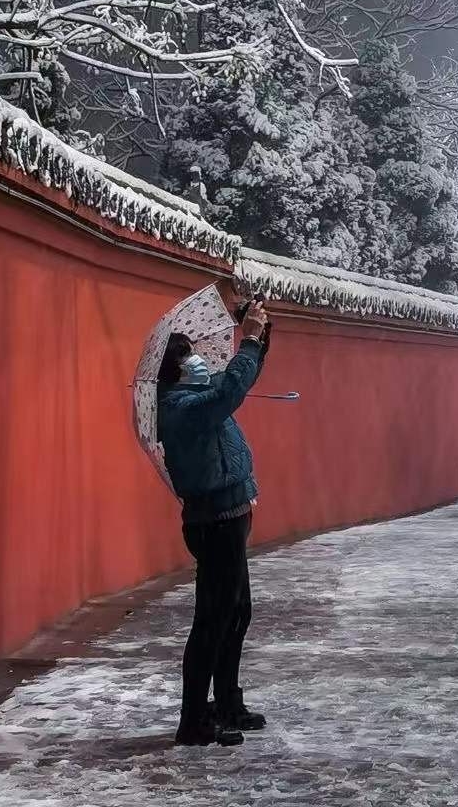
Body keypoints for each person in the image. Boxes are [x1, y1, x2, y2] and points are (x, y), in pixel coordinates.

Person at [157, 297, 271, 747]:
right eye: (188, 355)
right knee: (213, 620)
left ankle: (226, 702)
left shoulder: (195, 399)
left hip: (232, 516)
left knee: (236, 613)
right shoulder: (183, 410)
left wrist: (260, 336)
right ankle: (194, 719)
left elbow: (236, 382)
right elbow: (229, 391)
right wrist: (250, 339)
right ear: (175, 369)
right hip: (215, 523)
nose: (197, 360)